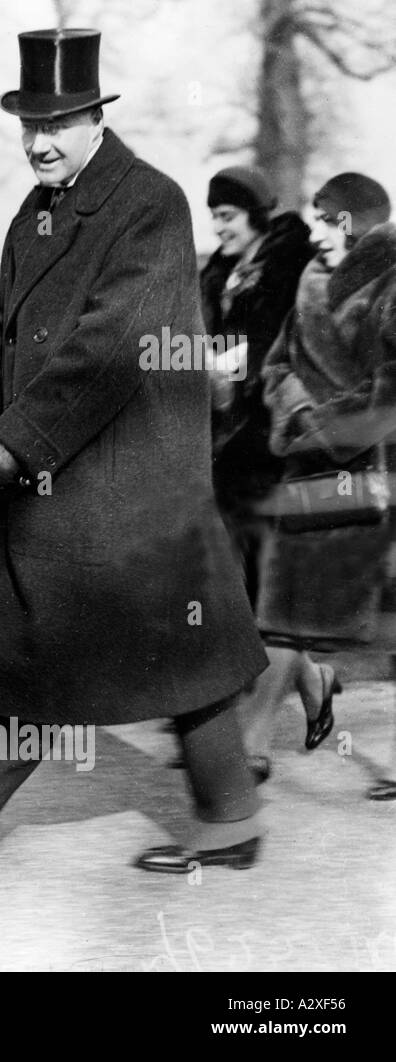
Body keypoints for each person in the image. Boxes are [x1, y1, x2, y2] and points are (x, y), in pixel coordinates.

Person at [0, 27, 269, 895]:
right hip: (70, 470)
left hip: (129, 481)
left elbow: (110, 348)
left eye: (61, 121)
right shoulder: (34, 213)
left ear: (95, 118)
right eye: (29, 124)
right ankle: (232, 818)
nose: (41, 140)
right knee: (163, 656)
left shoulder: (149, 204)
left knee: (62, 655)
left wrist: (9, 446)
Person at [244, 172, 396, 802]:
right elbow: (276, 366)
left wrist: (328, 427)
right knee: (279, 615)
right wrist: (303, 416)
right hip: (307, 473)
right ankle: (249, 748)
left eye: (324, 220)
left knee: (383, 629)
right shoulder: (309, 282)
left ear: (356, 225)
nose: (311, 233)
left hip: (375, 472)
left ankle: (310, 701)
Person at [196, 166, 316, 781]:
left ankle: (256, 738)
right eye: (213, 215)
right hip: (227, 442)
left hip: (276, 444)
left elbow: (282, 348)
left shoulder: (288, 266)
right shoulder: (216, 271)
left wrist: (237, 375)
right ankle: (307, 679)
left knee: (271, 585)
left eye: (229, 216)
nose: (219, 226)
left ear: (256, 216)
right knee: (235, 577)